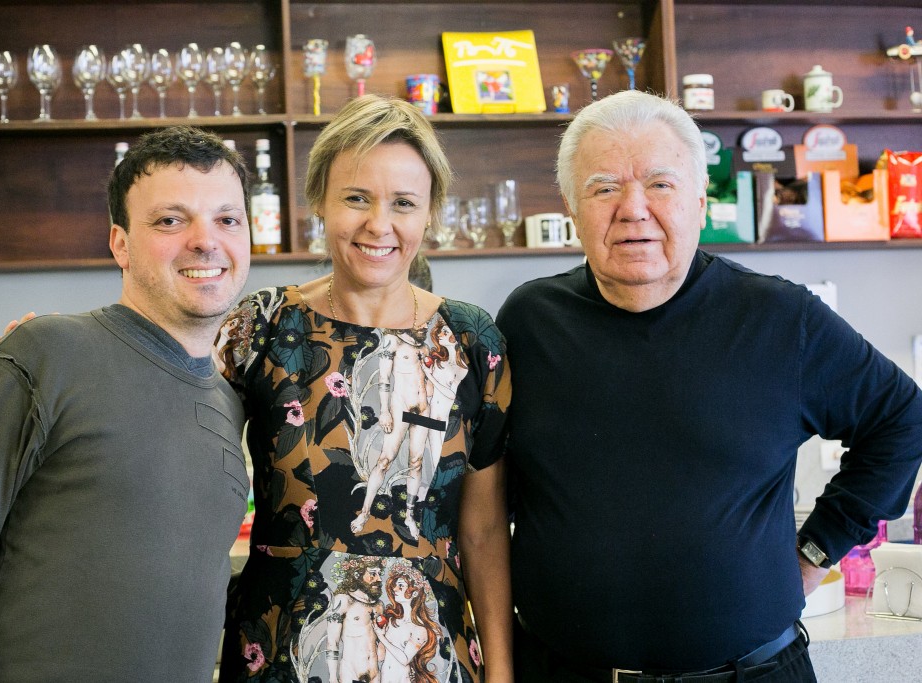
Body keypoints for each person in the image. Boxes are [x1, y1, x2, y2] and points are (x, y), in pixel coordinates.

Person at [497, 90, 922, 682]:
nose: (633, 208)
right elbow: (489, 491)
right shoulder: (528, 321)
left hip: (752, 674)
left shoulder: (780, 318)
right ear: (572, 208)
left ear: (701, 200)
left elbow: (903, 418)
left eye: (660, 184)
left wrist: (818, 549)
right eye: (603, 188)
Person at [0, 125, 252, 682]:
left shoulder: (228, 405)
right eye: (170, 220)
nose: (206, 241)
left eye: (227, 219)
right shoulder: (44, 353)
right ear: (120, 244)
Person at [216, 95, 513, 683]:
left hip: (429, 655)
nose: (380, 224)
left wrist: (501, 672)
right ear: (320, 200)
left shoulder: (472, 341)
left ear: (430, 214)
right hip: (280, 654)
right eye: (357, 198)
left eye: (403, 203)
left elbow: (481, 531)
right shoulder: (263, 327)